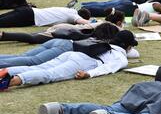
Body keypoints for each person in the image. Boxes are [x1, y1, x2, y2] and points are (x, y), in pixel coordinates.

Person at [0, 30, 138, 91]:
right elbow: (106, 68)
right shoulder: (121, 58)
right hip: (86, 62)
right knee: (50, 75)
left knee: (39, 66)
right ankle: (10, 81)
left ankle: (5, 72)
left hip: (73, 53)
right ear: (128, 46)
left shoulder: (107, 44)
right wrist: (89, 74)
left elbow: (134, 53)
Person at [0, 23, 129, 68]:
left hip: (58, 41)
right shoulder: (103, 44)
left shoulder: (89, 34)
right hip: (64, 48)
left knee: (23, 57)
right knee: (31, 61)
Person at [0, 9, 124, 45]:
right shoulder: (112, 27)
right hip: (66, 31)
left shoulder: (101, 22)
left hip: (65, 27)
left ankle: (4, 36)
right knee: (33, 39)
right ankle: (3, 35)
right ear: (119, 22)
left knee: (34, 36)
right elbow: (124, 34)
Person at [78, 0, 161, 17]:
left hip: (130, 5)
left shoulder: (152, 2)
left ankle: (80, 6)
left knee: (103, 5)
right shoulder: (157, 5)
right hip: (130, 9)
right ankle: (80, 9)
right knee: (103, 11)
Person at [0, 6, 91, 28]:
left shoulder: (68, 9)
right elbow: (82, 22)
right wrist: (96, 22)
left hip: (27, 10)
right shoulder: (73, 15)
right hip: (29, 17)